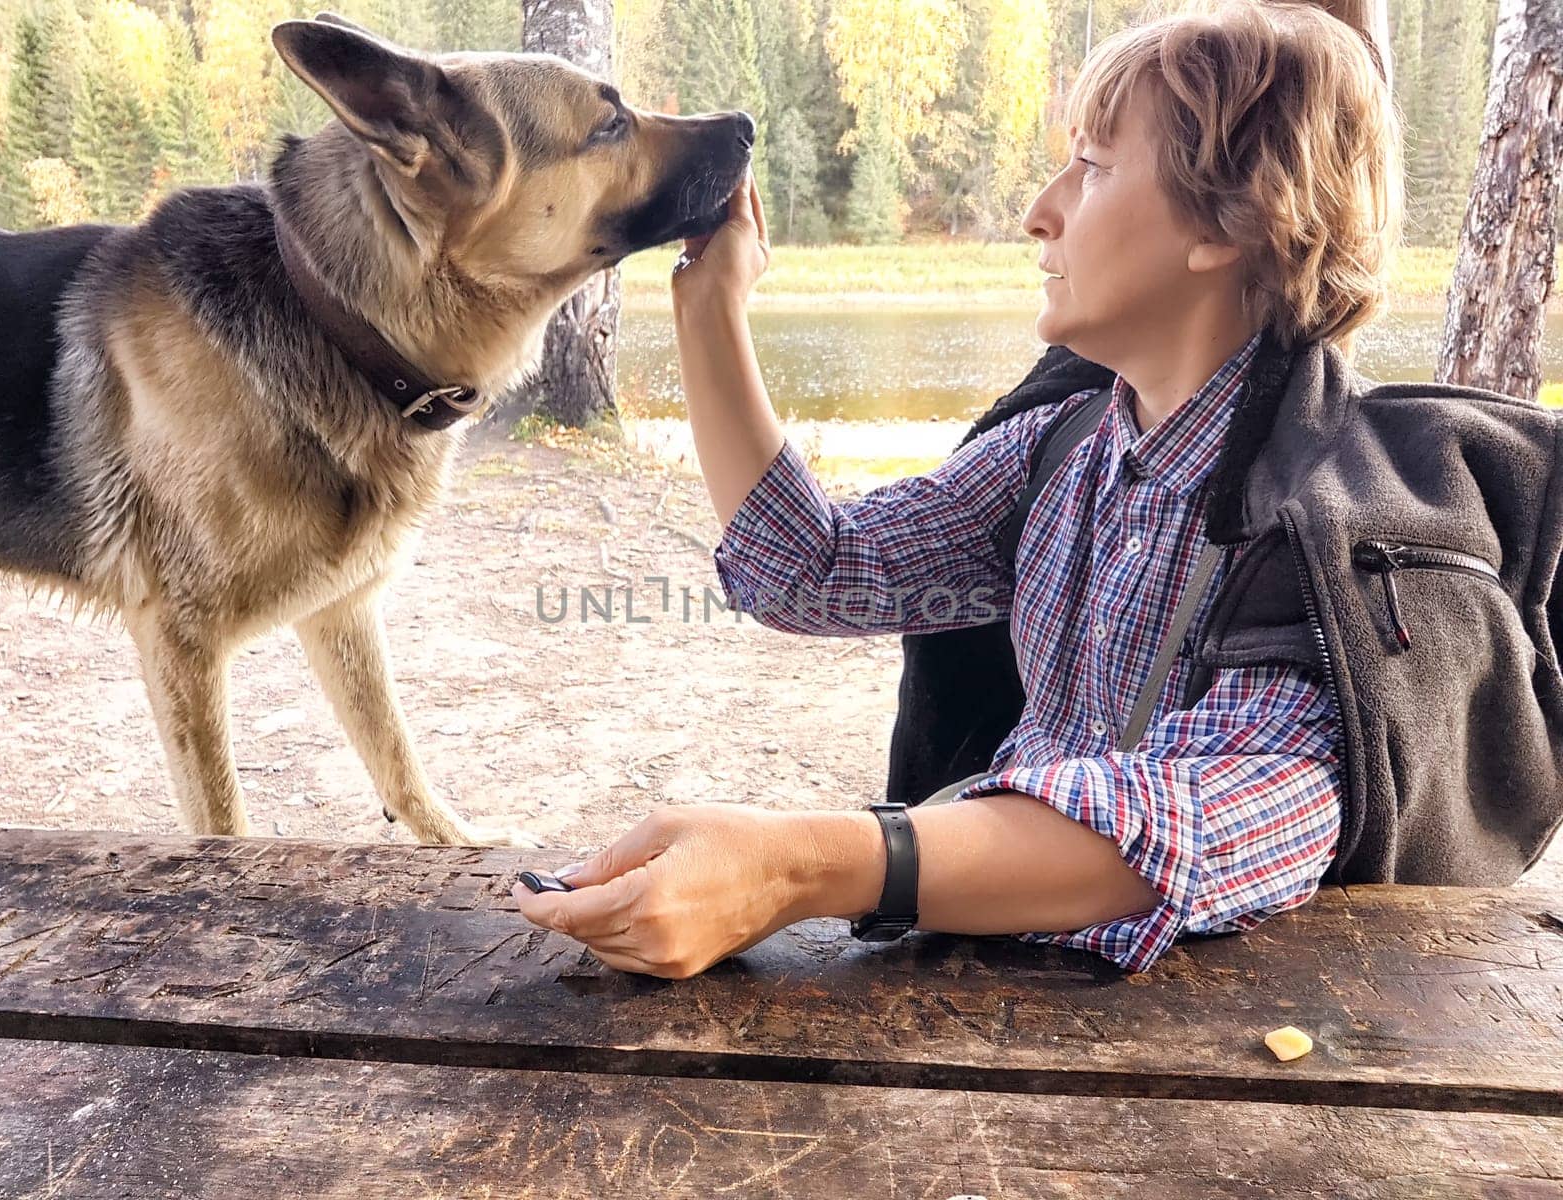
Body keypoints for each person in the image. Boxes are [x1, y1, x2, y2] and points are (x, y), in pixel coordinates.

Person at [511, 0, 1563, 978]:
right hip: (1008, 992)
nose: (1037, 211)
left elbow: (1221, 817)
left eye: (1093, 167)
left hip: (1236, 1079)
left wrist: (802, 865)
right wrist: (710, 307)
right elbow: (810, 570)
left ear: (1230, 224)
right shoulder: (1063, 450)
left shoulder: (1325, 531)